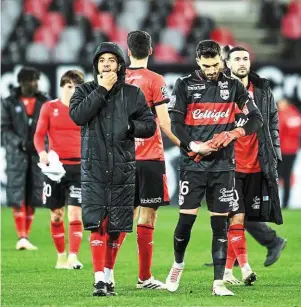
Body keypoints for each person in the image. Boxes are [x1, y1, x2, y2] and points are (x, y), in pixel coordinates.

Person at [165, 40, 263, 296]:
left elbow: (256, 118)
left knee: (220, 225)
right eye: (206, 65)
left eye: (215, 64)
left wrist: (234, 133)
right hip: (193, 164)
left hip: (223, 166)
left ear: (221, 59)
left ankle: (218, 282)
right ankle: (177, 264)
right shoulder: (184, 84)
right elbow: (175, 124)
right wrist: (195, 146)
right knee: (185, 221)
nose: (211, 69)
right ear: (198, 61)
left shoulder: (232, 86)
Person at [69, 42, 156, 297]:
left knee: (116, 226)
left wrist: (131, 128)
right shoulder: (84, 90)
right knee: (98, 222)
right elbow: (77, 116)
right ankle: (98, 280)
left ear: (120, 64)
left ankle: (108, 277)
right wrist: (102, 90)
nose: (106, 64)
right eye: (101, 60)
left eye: (111, 59)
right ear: (95, 64)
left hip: (122, 168)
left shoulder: (133, 94)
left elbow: (149, 125)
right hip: (94, 167)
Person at [205, 45, 287, 268]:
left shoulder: (261, 88)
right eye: (237, 59)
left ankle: (233, 255)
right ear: (227, 64)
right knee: (232, 212)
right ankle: (228, 257)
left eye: (245, 58)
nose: (242, 62)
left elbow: (272, 122)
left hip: (255, 162)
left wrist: (274, 153)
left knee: (242, 214)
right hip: (228, 162)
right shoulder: (218, 88)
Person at [34, 70, 85, 269]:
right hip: (55, 170)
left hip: (78, 168)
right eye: (69, 86)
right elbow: (39, 135)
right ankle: (61, 256)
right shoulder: (50, 107)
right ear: (62, 86)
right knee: (56, 214)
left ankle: (73, 256)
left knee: (75, 213)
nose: (72, 91)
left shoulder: (83, 111)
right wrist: (41, 152)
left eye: (76, 87)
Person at [1, 67, 50, 250]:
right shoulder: (8, 103)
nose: (34, 84)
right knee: (18, 194)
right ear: (22, 82)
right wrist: (20, 144)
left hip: (37, 156)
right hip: (17, 157)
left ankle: (25, 237)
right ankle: (21, 235)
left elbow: (50, 129)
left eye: (36, 80)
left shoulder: (44, 102)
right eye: (31, 80)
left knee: (33, 195)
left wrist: (40, 145)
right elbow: (4, 129)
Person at [277, 98, 301, 208]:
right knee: (286, 176)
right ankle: (285, 203)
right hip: (293, 149)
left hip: (282, 150)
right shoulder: (296, 114)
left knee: (276, 176)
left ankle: (273, 202)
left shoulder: (282, 115)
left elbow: (277, 132)